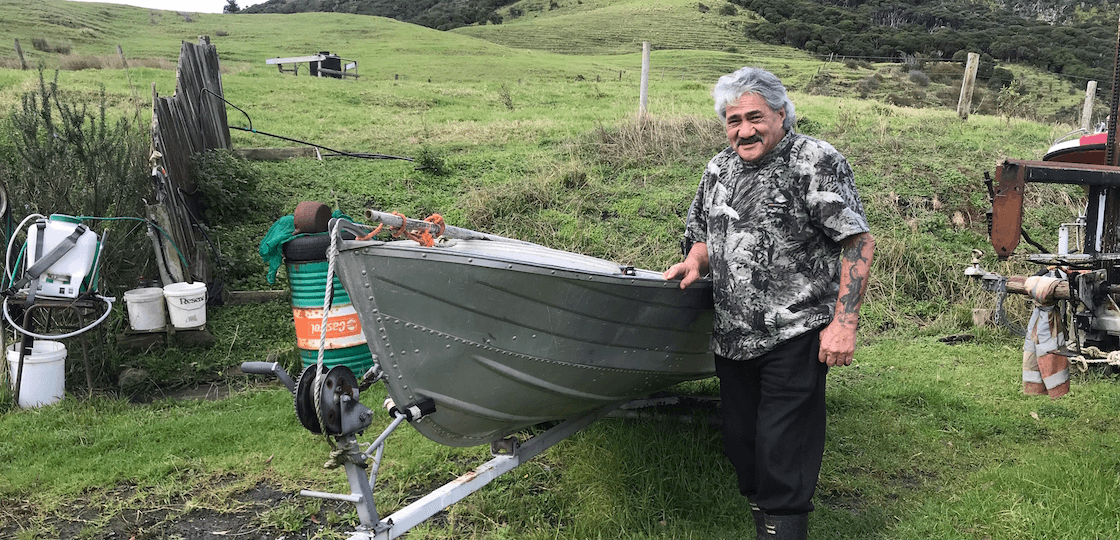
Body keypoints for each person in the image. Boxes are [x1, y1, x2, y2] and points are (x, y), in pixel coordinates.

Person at [662, 66, 875, 540]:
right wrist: (695, 261)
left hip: (794, 331)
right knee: (742, 444)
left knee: (783, 446)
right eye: (733, 120)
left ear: (781, 113)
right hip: (732, 336)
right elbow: (702, 234)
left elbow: (857, 242)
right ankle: (767, 520)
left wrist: (845, 323)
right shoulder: (719, 168)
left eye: (754, 117)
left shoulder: (815, 160)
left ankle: (782, 527)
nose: (744, 130)